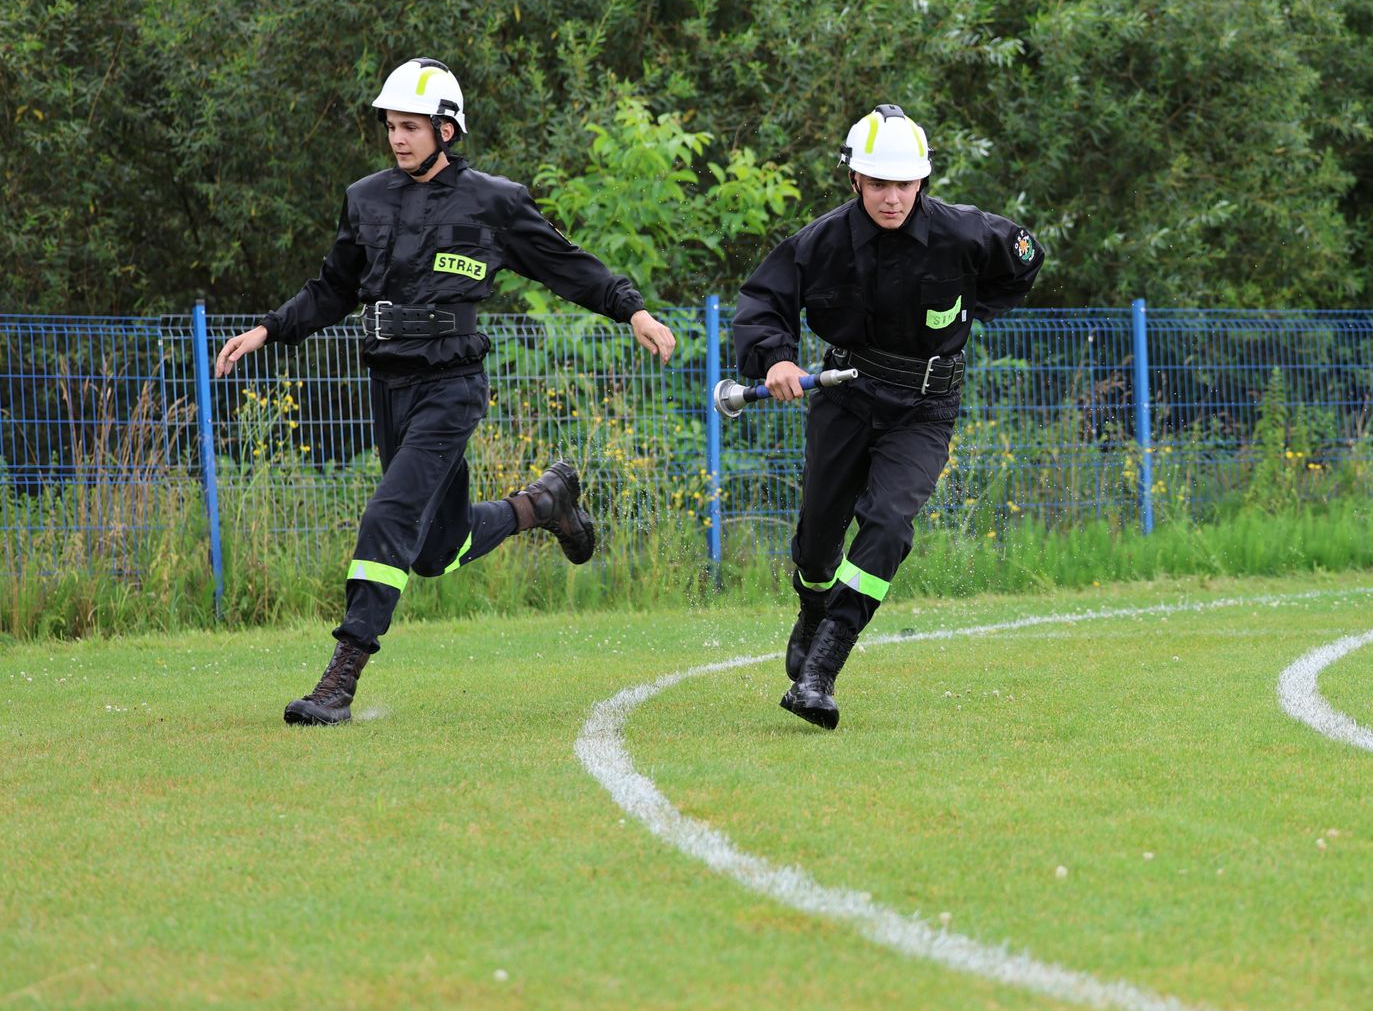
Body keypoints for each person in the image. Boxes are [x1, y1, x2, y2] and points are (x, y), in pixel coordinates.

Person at [213, 58, 677, 725]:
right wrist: (268, 328)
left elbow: (568, 267)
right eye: (391, 126)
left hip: (452, 386)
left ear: (447, 130)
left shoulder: (496, 202)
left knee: (388, 516)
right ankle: (544, 503)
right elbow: (333, 288)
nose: (398, 138)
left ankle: (339, 678)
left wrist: (632, 309)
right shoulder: (365, 197)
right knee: (435, 549)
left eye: (411, 126)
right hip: (388, 386)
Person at [734, 104, 1044, 730]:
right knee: (819, 540)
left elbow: (1027, 260)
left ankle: (821, 670)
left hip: (926, 409)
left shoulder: (967, 233)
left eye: (904, 184)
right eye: (879, 183)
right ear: (855, 180)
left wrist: (973, 308)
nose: (893, 197)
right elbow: (764, 301)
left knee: (889, 525)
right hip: (844, 398)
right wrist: (775, 359)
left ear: (922, 182)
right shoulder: (819, 243)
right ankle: (813, 602)